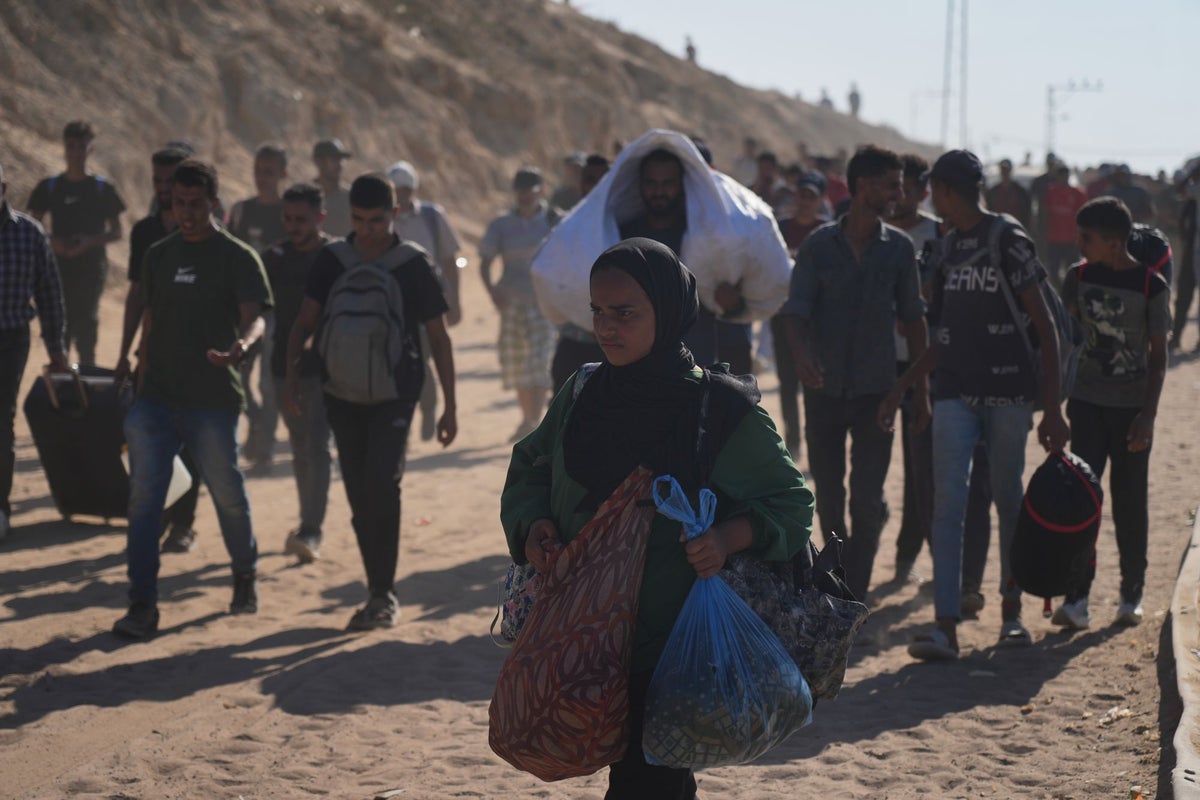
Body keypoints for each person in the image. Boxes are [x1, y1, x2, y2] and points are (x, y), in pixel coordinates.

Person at [501, 238, 813, 798]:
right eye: (598, 310)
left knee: (651, 781)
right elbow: (532, 466)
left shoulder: (719, 409)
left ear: (667, 311)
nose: (606, 327)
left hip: (670, 640)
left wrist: (725, 538)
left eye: (625, 313)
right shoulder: (582, 390)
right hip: (584, 634)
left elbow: (791, 504)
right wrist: (534, 527)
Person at [881, 149, 1071, 660]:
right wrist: (905, 387)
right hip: (955, 393)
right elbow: (942, 334)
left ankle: (1012, 617)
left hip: (1010, 394)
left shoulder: (1007, 239)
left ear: (944, 191)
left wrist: (1052, 408)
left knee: (1008, 498)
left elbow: (1047, 328)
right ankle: (946, 625)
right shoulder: (946, 248)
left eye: (933, 191)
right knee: (948, 505)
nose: (930, 200)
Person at [285, 173, 457, 630]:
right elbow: (304, 322)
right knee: (361, 494)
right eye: (359, 220)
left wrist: (449, 406)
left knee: (383, 484)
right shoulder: (332, 260)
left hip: (396, 395)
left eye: (377, 220)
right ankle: (376, 588)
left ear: (394, 214)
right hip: (340, 394)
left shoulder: (411, 264)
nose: (368, 229)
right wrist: (290, 378)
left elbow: (439, 338)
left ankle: (384, 592)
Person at [114, 160, 273, 640]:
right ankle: (142, 604)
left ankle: (244, 573)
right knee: (144, 500)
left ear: (214, 204)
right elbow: (140, 307)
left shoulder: (238, 256)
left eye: (196, 204)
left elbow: (257, 318)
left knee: (227, 492)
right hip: (156, 398)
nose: (186, 212)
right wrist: (124, 358)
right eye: (178, 203)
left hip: (212, 400)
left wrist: (242, 347)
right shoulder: (158, 254)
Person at [781, 144, 928, 602]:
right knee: (829, 499)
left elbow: (915, 321)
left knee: (866, 500)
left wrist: (914, 392)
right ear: (864, 186)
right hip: (823, 392)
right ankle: (840, 576)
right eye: (891, 186)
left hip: (877, 395)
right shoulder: (819, 247)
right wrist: (802, 355)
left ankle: (852, 596)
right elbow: (795, 314)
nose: (899, 195)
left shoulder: (900, 250)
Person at [1053, 197, 1170, 629]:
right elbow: (1065, 341)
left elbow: (1159, 358)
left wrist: (1148, 416)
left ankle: (1130, 593)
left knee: (1129, 502)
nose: (1078, 243)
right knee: (1083, 501)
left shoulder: (1151, 286)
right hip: (1085, 405)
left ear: (1114, 242)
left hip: (1131, 412)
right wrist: (1056, 403)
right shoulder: (1077, 277)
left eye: (1087, 237)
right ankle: (1077, 597)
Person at [116, 146, 203, 554]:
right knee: (154, 439)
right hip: (152, 354)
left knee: (191, 440)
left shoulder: (206, 233)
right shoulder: (145, 233)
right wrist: (124, 352)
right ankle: (162, 517)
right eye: (159, 181)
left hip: (197, 356)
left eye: (172, 181)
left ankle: (184, 524)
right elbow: (137, 295)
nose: (165, 189)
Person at [618, 148, 745, 367]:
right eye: (651, 183)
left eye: (667, 183)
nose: (659, 191)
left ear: (682, 186)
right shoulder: (622, 236)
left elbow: (733, 308)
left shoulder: (706, 237)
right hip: (636, 365)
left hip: (693, 364)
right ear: (640, 185)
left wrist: (733, 303)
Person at [0, 161, 71, 542]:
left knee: (1, 422)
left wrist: (56, 346)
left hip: (10, 337)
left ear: (5, 187)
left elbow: (48, 293)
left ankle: (0, 507)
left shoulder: (29, 234)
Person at [263, 184, 332, 563]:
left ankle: (311, 528)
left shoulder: (335, 256)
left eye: (301, 219)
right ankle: (307, 521)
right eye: (288, 219)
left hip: (326, 372)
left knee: (317, 447)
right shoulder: (273, 258)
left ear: (320, 218)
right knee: (299, 447)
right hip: (281, 369)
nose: (293, 226)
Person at [26, 121, 125, 366]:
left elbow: (117, 231)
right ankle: (62, 384)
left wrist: (90, 242)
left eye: (82, 146)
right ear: (64, 147)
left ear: (90, 149)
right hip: (58, 267)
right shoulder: (50, 187)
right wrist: (53, 243)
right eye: (71, 146)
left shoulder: (102, 188)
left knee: (87, 323)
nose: (76, 152)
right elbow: (32, 228)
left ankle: (87, 379)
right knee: (60, 323)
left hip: (91, 268)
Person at [479, 167, 559, 440]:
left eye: (530, 190)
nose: (525, 196)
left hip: (543, 302)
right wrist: (492, 291)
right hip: (511, 302)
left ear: (541, 191)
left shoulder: (555, 221)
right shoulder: (500, 224)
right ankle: (527, 419)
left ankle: (534, 420)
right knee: (518, 364)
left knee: (539, 363)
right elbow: (485, 261)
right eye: (521, 191)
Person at [387, 160, 464, 441]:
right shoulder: (384, 217)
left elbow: (449, 259)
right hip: (391, 303)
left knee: (421, 358)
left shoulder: (432, 216)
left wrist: (455, 301)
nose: (402, 194)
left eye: (406, 188)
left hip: (428, 303)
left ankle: (428, 407)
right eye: (397, 189)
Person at [229, 143, 289, 472]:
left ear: (283, 173)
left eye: (269, 171)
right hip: (244, 309)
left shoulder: (289, 213)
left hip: (277, 312)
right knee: (237, 376)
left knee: (268, 383)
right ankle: (257, 425)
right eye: (258, 170)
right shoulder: (241, 212)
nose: (262, 178)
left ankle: (265, 448)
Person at [771, 170, 829, 460]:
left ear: (820, 200)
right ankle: (793, 443)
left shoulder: (827, 233)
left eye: (811, 196)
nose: (804, 202)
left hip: (816, 325)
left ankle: (815, 440)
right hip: (782, 317)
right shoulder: (779, 229)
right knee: (787, 384)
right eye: (801, 195)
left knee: (814, 385)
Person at [551, 154, 610, 390]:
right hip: (573, 340)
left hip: (615, 344)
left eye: (600, 179)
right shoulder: (567, 226)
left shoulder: (624, 223)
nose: (593, 186)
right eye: (588, 179)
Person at [1042, 164, 1087, 286]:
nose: (1064, 179)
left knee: (1073, 271)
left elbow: (1083, 217)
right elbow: (1045, 214)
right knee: (1053, 271)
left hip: (1071, 239)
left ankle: (1071, 295)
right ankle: (1056, 293)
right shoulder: (1050, 191)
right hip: (1053, 239)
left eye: (1066, 176)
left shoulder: (1078, 193)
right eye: (1061, 176)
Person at [312, 138, 352, 236]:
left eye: (341, 159)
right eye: (334, 159)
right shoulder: (304, 195)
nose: (340, 164)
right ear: (319, 162)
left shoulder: (351, 197)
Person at [985, 158, 1032, 230]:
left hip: (1016, 229)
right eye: (1003, 169)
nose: (1005, 172)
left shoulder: (1020, 191)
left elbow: (1027, 212)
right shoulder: (993, 192)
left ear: (1011, 170)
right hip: (997, 230)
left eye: (1007, 169)